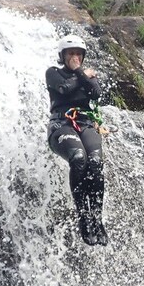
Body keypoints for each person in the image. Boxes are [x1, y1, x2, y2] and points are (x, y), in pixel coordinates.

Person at [46, 35, 108, 246]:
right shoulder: (53, 73)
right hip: (61, 125)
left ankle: (97, 218)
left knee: (95, 162)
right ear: (63, 56)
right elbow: (63, 88)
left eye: (78, 54)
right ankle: (83, 216)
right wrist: (81, 74)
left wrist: (83, 74)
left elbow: (96, 93)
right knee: (79, 157)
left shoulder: (88, 76)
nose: (75, 57)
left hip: (86, 124)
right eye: (71, 53)